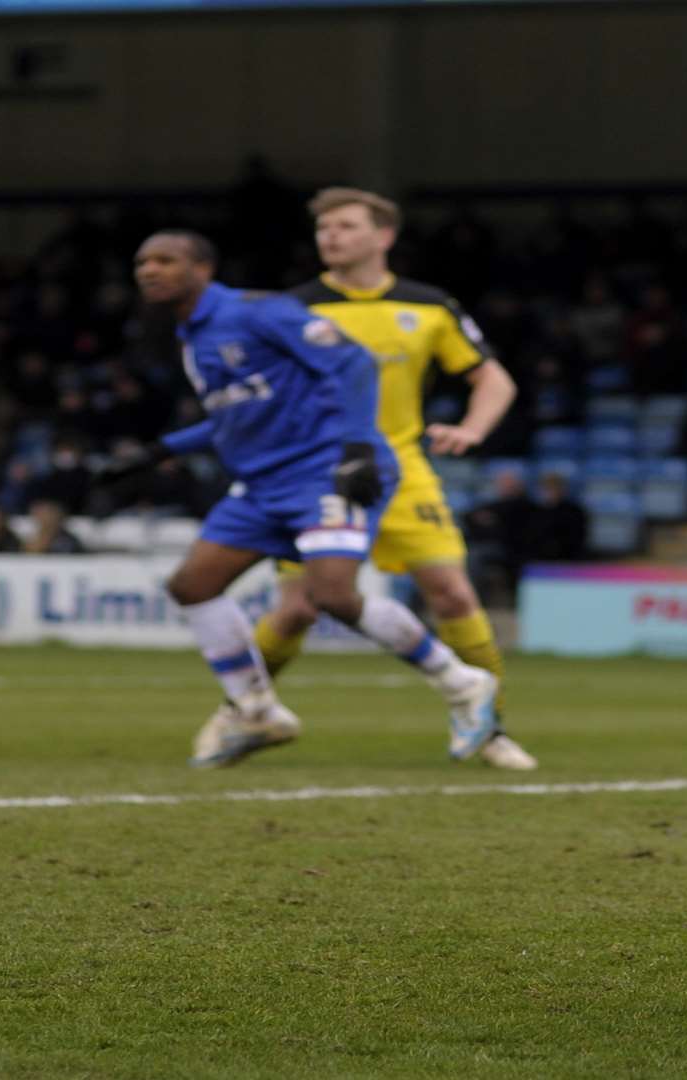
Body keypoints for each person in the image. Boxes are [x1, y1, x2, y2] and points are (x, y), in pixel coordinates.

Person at [121, 230, 499, 769]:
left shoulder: (259, 312)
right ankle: (254, 708)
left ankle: (463, 684)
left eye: (165, 260)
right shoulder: (193, 336)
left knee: (333, 596)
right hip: (264, 483)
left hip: (324, 470)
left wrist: (356, 448)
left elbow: (353, 363)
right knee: (193, 585)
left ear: (203, 268)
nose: (149, 270)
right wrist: (157, 451)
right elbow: (235, 415)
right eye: (143, 261)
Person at [210, 187, 535, 771]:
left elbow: (494, 380)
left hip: (400, 469)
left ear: (382, 237)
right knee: (298, 609)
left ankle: (489, 728)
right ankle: (245, 710)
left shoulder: (430, 306)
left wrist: (472, 429)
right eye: (324, 228)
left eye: (345, 226)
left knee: (454, 593)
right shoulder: (291, 309)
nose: (330, 236)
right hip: (314, 474)